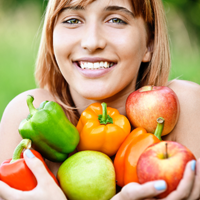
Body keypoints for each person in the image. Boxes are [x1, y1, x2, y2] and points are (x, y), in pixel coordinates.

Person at [0, 0, 200, 199]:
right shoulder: (25, 116)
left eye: (115, 20)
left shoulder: (185, 107)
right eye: (71, 20)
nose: (92, 42)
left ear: (150, 42)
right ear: (52, 38)